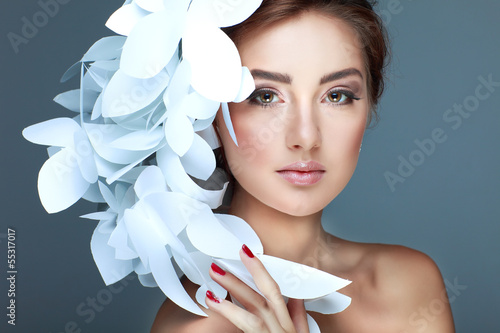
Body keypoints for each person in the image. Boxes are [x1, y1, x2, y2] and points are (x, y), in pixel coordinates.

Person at [151, 0, 455, 332]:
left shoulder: (410, 285)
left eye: (337, 96)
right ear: (209, 116)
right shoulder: (195, 326)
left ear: (368, 106)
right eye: (265, 96)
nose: (306, 137)